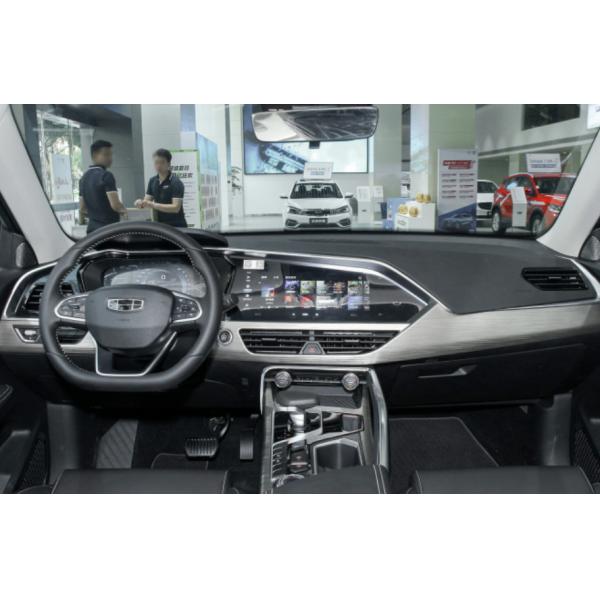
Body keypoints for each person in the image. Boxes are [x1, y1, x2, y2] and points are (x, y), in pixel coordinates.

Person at [79, 140, 127, 233]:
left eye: (111, 154)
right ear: (95, 156)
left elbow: (82, 208)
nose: (110, 158)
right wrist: (124, 211)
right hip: (108, 230)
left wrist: (95, 216)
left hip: (92, 231)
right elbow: (115, 205)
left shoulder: (83, 178)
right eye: (106, 154)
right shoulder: (106, 175)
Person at [135, 149, 188, 228]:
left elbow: (176, 208)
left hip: (176, 226)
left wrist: (153, 205)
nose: (159, 165)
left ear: (169, 164)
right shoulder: (152, 181)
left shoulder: (175, 182)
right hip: (160, 226)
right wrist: (140, 203)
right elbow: (147, 202)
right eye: (156, 162)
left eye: (162, 162)